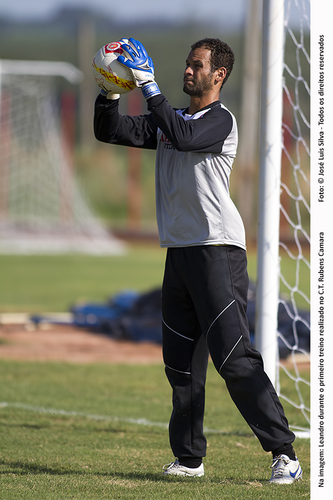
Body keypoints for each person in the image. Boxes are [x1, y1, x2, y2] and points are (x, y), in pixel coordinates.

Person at [93, 37, 302, 485]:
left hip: (218, 251)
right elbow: (108, 131)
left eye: (197, 65)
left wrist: (148, 85)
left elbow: (185, 138)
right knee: (180, 365)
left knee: (233, 358)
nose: (188, 70)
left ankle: (284, 454)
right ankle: (190, 459)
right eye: (187, 64)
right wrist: (110, 90)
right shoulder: (173, 120)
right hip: (181, 252)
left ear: (218, 75)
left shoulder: (219, 120)